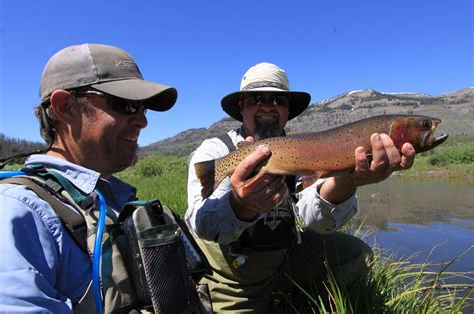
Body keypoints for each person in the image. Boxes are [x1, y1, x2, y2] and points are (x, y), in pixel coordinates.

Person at [186, 62, 416, 312]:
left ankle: (304, 301)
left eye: (278, 100)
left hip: (284, 259)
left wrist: (347, 180)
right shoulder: (216, 151)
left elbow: (317, 221)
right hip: (235, 280)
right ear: (241, 107)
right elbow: (201, 224)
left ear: (287, 110)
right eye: (256, 98)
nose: (267, 105)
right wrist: (240, 206)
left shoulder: (299, 149)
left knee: (356, 253)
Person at [0, 44, 179, 312]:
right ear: (65, 107)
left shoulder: (112, 197)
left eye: (143, 107)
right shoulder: (18, 213)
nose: (143, 121)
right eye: (127, 104)